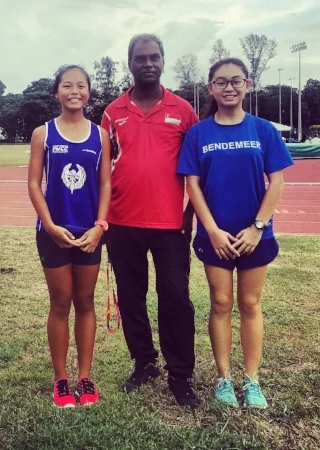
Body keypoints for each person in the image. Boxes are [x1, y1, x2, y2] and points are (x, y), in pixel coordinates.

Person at [177, 58, 294, 409]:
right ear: (211, 88)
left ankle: (252, 381)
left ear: (248, 84)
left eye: (236, 81)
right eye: (221, 82)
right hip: (216, 237)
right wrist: (212, 230)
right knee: (221, 303)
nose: (229, 87)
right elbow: (192, 186)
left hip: (255, 235)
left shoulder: (263, 130)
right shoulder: (199, 133)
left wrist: (258, 228)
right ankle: (224, 378)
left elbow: (276, 182)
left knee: (250, 304)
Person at [101, 33, 200, 408]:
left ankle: (180, 375)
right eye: (140, 58)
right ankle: (144, 363)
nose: (148, 63)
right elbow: (104, 170)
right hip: (122, 222)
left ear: (163, 61)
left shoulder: (183, 110)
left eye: (154, 57)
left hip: (170, 225)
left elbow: (196, 169)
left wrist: (189, 214)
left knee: (175, 297)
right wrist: (103, 219)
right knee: (131, 297)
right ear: (130, 63)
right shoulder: (113, 112)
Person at [28, 65, 111, 408]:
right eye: (66, 85)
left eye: (80, 86)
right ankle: (61, 379)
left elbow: (106, 183)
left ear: (88, 92)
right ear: (57, 92)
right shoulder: (43, 133)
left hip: (89, 233)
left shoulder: (100, 135)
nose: (74, 91)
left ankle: (85, 377)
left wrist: (100, 226)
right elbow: (34, 184)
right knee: (61, 303)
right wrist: (49, 225)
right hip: (53, 232)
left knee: (86, 301)